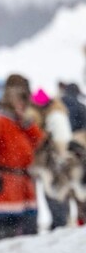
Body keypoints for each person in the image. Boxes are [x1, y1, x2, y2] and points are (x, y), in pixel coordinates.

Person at [0, 74, 44, 244]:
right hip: (4, 186)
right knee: (2, 240)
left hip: (25, 186)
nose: (21, 103)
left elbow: (40, 144)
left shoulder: (25, 123)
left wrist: (29, 125)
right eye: (18, 98)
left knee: (29, 239)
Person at [31, 88, 72, 229]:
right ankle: (60, 222)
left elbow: (61, 141)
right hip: (58, 161)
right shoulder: (57, 113)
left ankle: (60, 224)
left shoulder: (54, 116)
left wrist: (60, 159)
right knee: (57, 194)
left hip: (56, 162)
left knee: (56, 194)